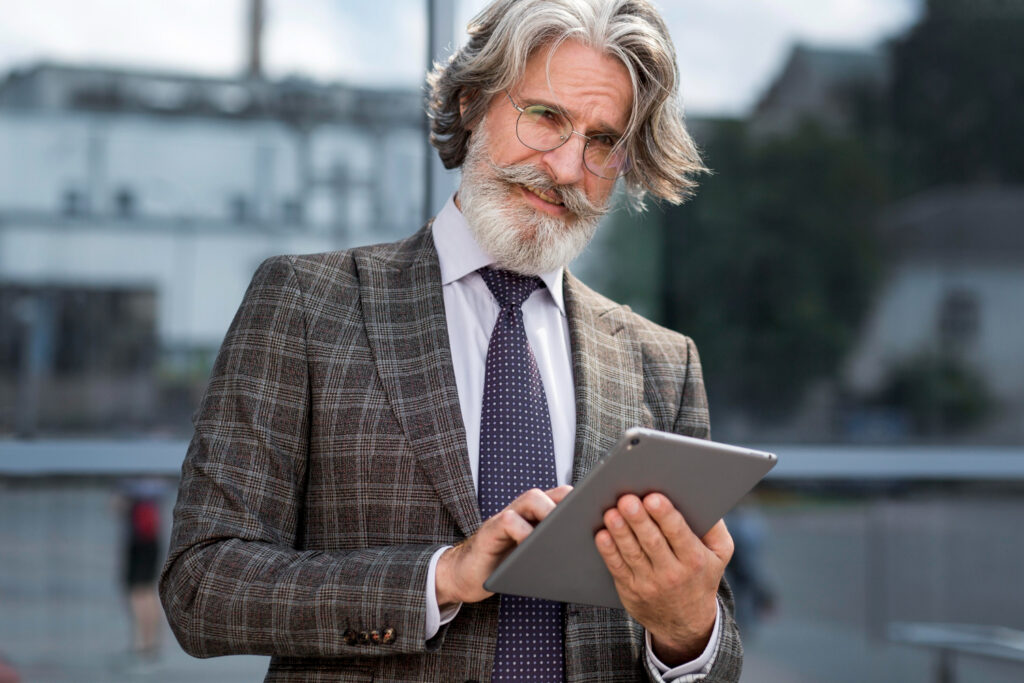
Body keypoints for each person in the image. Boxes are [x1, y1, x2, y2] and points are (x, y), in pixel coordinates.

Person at [160, 0, 743, 680]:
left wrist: (687, 630)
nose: (564, 166)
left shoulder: (662, 363)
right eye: (546, 116)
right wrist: (442, 575)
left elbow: (717, 649)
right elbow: (202, 586)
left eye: (603, 141)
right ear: (470, 102)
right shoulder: (306, 304)